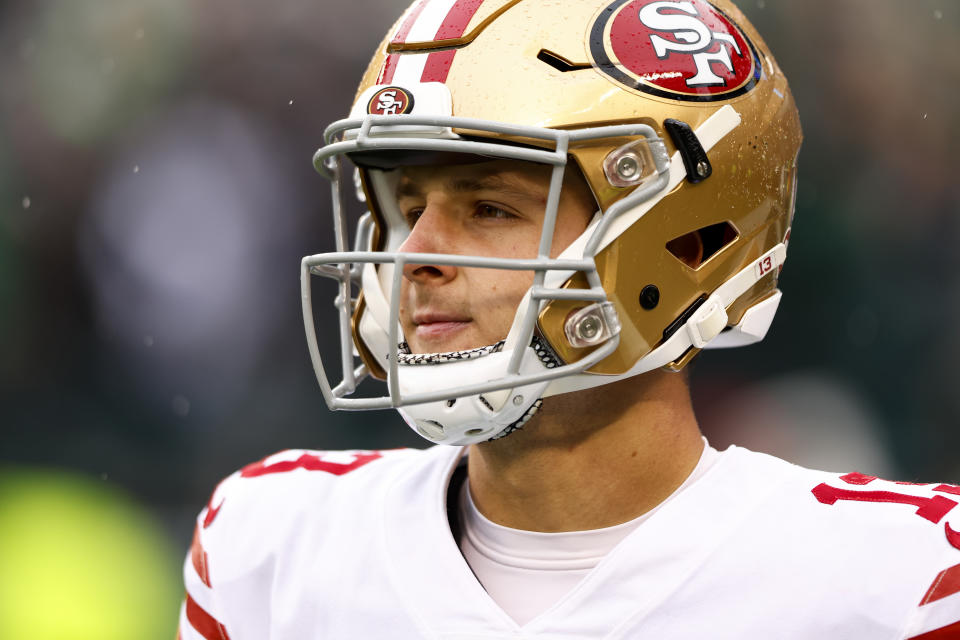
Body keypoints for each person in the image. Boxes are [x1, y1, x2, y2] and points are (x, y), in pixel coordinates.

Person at [178, 1, 960, 638]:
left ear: (680, 241)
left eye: (489, 207)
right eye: (409, 209)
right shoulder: (270, 549)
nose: (414, 257)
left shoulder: (900, 583)